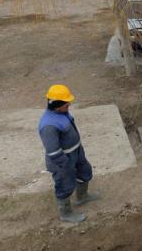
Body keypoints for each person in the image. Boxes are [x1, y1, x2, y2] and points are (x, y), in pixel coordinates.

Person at [38, 84, 100, 223]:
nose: (69, 104)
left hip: (76, 152)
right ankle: (65, 213)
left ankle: (82, 196)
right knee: (65, 185)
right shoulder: (48, 125)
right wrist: (65, 165)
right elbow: (53, 151)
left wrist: (78, 150)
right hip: (63, 160)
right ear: (56, 104)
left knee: (85, 172)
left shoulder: (62, 112)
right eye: (66, 103)